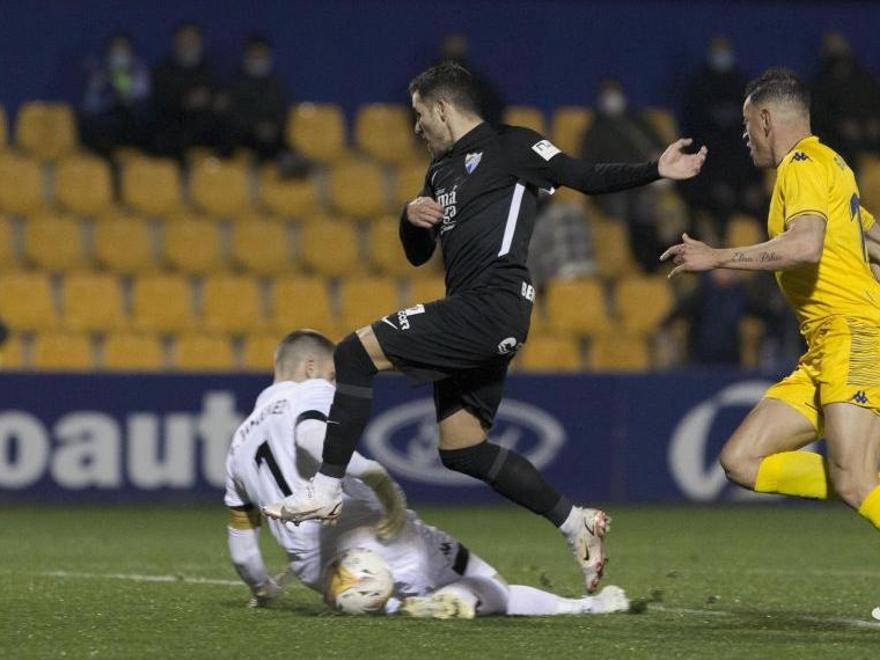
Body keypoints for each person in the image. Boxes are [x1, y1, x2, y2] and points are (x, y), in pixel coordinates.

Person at [264, 62, 707, 594]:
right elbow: (417, 255)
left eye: (419, 114)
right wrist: (410, 217)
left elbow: (585, 177)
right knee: (461, 446)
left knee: (353, 354)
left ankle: (326, 488)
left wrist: (654, 168)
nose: (415, 127)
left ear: (443, 109)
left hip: (492, 304)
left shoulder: (513, 146)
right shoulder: (439, 174)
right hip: (476, 310)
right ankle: (577, 524)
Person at [226, 330, 630, 618]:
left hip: (324, 575)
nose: (336, 383)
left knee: (400, 606)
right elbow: (314, 439)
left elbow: (243, 554)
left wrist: (263, 590)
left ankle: (396, 603)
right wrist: (380, 481)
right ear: (313, 367)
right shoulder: (311, 390)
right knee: (489, 587)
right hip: (379, 534)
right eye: (334, 376)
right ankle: (583, 606)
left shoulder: (237, 446)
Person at [660, 68, 880, 535]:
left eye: (745, 127)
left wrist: (716, 256)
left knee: (854, 482)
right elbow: (870, 241)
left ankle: (860, 479)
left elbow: (805, 246)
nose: (745, 138)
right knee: (741, 460)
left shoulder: (801, 165)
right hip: (825, 349)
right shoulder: (833, 164)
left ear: (764, 120)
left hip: (853, 336)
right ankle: (861, 478)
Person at [580, 80, 666, 272]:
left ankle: (651, 262)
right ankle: (641, 261)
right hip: (612, 187)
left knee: (645, 207)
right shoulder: (595, 130)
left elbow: (661, 147)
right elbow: (588, 167)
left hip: (641, 183)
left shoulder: (639, 123)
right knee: (625, 205)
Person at [680, 36, 764, 224]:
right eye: (718, 51)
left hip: (743, 178)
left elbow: (755, 143)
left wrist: (754, 183)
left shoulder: (741, 84)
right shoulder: (698, 87)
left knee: (765, 205)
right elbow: (695, 143)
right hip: (711, 179)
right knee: (715, 208)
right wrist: (714, 184)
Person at [811, 31, 880, 168]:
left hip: (869, 133)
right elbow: (819, 114)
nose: (837, 50)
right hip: (837, 139)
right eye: (832, 46)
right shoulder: (820, 84)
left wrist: (874, 121)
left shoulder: (865, 78)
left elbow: (875, 102)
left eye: (839, 45)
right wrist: (840, 125)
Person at [151, 22, 218, 158]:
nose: (188, 44)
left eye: (192, 40)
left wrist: (210, 99)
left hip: (205, 128)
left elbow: (219, 98)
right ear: (176, 42)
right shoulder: (162, 71)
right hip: (174, 127)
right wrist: (186, 101)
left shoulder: (210, 71)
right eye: (185, 40)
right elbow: (159, 103)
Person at [80, 32, 151, 157]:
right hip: (106, 123)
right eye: (115, 48)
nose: (119, 52)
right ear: (108, 51)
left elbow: (141, 96)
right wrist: (104, 82)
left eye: (123, 48)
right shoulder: (98, 71)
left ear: (130, 51)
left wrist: (122, 83)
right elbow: (90, 105)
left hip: (131, 123)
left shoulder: (139, 69)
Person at [219, 34, 288, 160]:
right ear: (247, 56)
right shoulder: (235, 83)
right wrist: (256, 127)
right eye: (254, 55)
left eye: (261, 55)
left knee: (277, 141)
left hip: (271, 134)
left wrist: (272, 127)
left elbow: (281, 112)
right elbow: (234, 113)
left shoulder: (277, 84)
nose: (258, 59)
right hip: (243, 135)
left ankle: (289, 162)